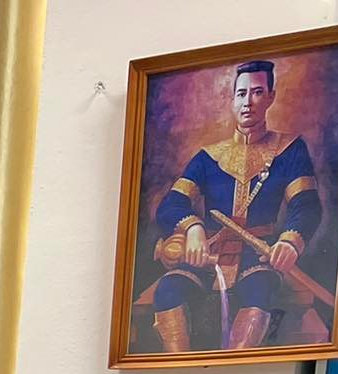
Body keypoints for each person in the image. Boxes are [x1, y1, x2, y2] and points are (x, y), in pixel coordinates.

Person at [136, 60, 324, 353]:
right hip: (207, 255)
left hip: (258, 255)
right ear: (232, 98)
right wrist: (193, 227)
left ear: (271, 96)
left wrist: (290, 241)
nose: (248, 102)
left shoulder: (290, 150)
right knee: (168, 290)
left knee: (260, 291)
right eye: (241, 93)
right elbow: (172, 204)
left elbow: (307, 205)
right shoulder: (208, 156)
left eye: (257, 92)